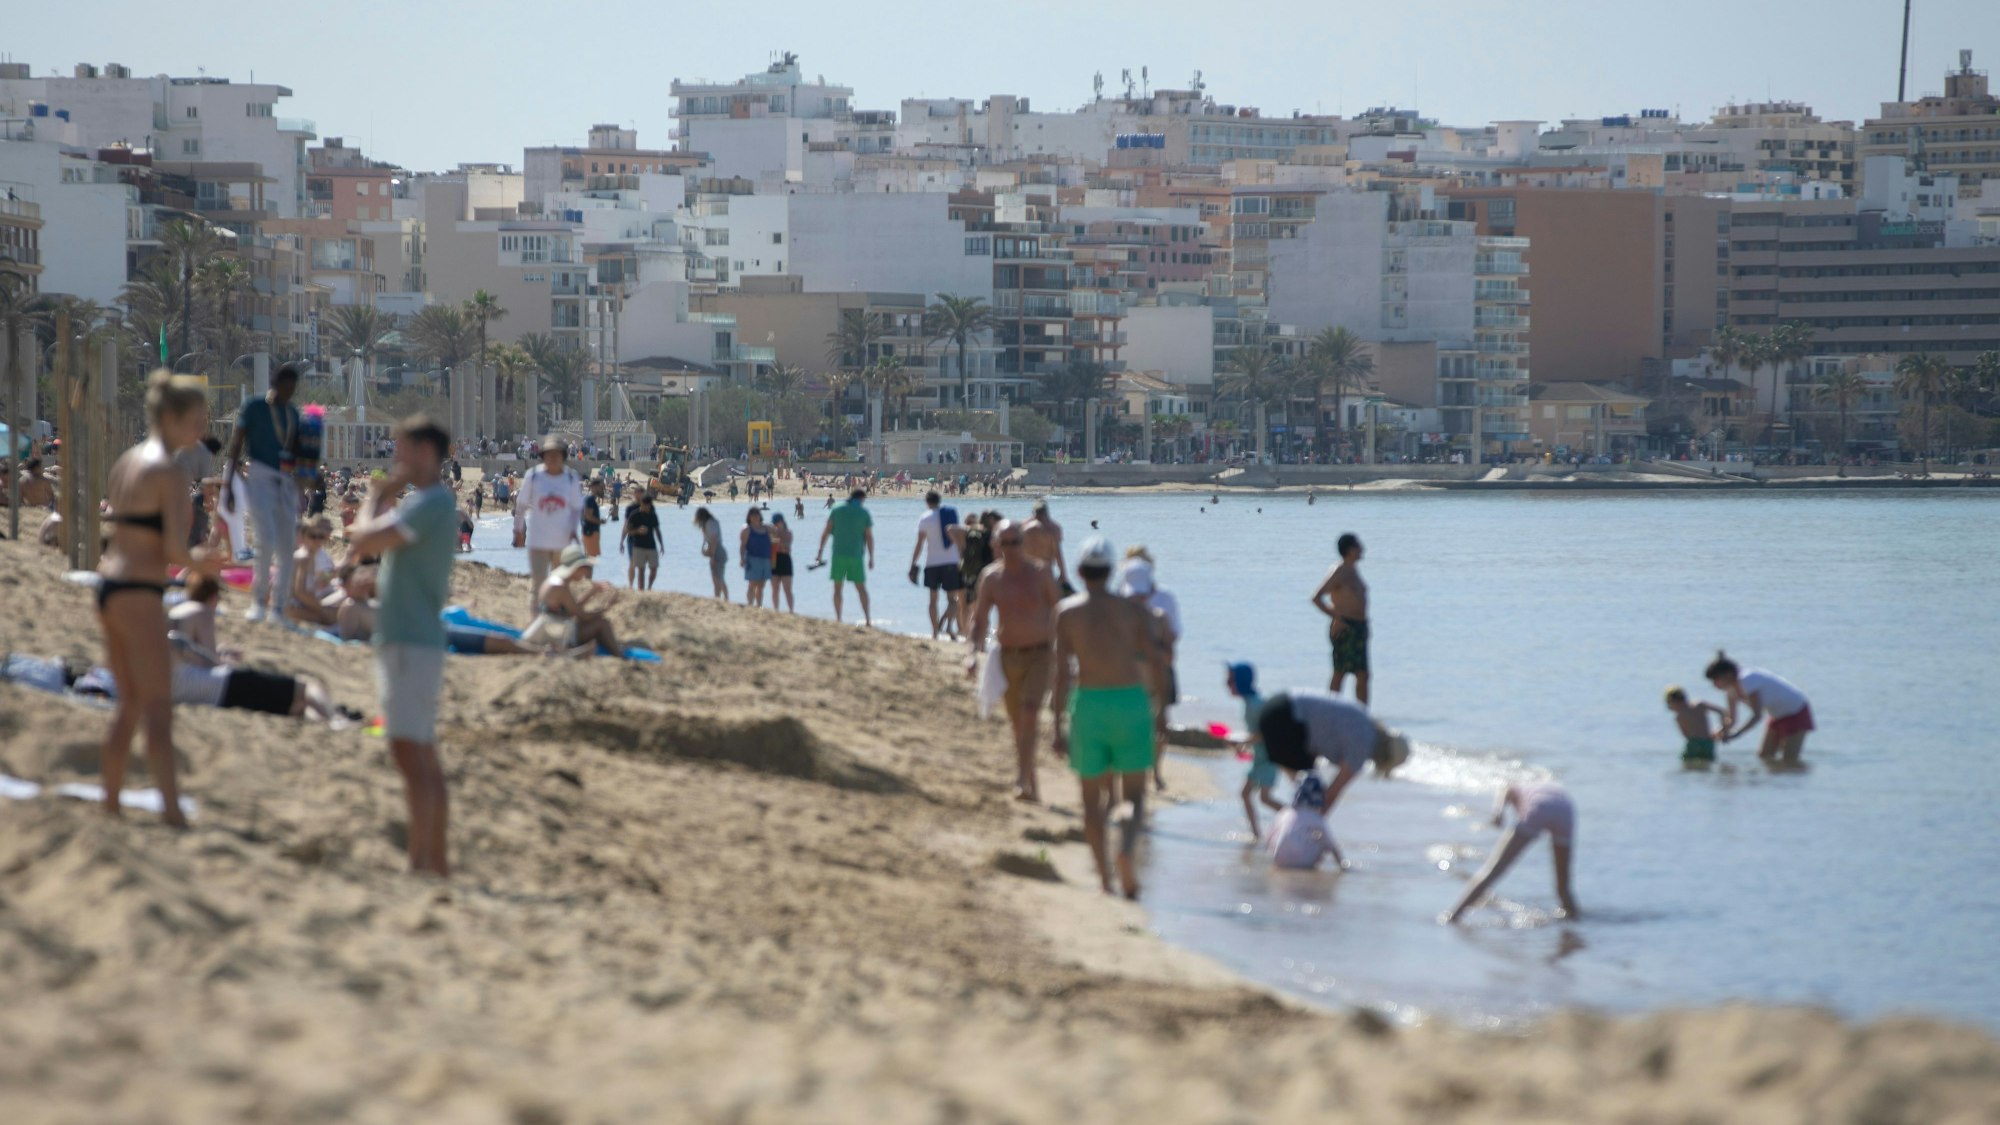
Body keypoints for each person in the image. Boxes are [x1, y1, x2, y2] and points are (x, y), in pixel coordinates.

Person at [96, 371, 218, 827]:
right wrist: (202, 562)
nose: (201, 431)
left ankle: (110, 803)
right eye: (196, 421)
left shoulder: (127, 461)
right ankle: (171, 813)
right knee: (158, 709)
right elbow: (170, 550)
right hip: (138, 591)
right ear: (171, 418)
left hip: (109, 587)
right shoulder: (168, 469)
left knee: (128, 704)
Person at [344, 416, 458, 877]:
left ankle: (424, 861)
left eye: (403, 449)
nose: (396, 459)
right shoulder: (429, 504)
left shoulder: (429, 503)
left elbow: (362, 540)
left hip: (412, 642)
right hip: (411, 638)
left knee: (412, 755)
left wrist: (375, 496)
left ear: (425, 453)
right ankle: (432, 859)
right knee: (420, 754)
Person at [1051, 537, 1162, 899]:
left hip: (1089, 705)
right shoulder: (1133, 611)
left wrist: (1056, 725)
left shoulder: (1067, 612)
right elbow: (1155, 662)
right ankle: (1126, 851)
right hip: (1130, 702)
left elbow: (1061, 674)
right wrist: (1158, 710)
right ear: (1112, 571)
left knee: (1090, 800)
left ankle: (1104, 877)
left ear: (1080, 573)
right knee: (1133, 796)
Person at [965, 519, 1064, 802]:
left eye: (1015, 542)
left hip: (1041, 654)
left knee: (1031, 712)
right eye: (1005, 543)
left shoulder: (1041, 573)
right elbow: (979, 620)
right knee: (1018, 724)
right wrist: (971, 653)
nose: (1010, 549)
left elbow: (1061, 612)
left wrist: (1068, 651)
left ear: (1023, 542)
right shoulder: (992, 578)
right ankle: (1031, 783)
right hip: (1008, 656)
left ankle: (1021, 779)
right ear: (995, 544)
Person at [169, 575, 340, 721]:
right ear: (214, 597)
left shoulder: (175, 613)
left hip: (196, 691)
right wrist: (225, 659)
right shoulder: (202, 611)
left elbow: (188, 652)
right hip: (217, 686)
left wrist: (221, 652)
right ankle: (337, 720)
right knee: (307, 685)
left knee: (293, 707)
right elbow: (211, 662)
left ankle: (325, 720)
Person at [224, 363, 306, 623]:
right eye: (286, 386)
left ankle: (279, 606)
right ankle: (259, 600)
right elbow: (237, 441)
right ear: (276, 383)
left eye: (293, 387)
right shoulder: (255, 406)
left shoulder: (292, 412)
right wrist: (229, 483)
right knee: (266, 539)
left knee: (287, 545)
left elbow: (296, 450)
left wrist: (305, 480)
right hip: (259, 473)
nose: (290, 392)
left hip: (285, 479)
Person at [1445, 781, 1580, 924]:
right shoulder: (1548, 788)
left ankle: (1453, 916)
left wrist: (1498, 814)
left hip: (1538, 810)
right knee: (1563, 884)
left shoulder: (1521, 788)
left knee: (1494, 870)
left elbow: (1506, 789)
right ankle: (1574, 920)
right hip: (1566, 813)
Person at [1255, 690, 1408, 814]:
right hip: (1285, 719)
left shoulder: (1366, 722)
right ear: (1385, 758)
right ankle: (1298, 832)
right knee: (1310, 796)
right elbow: (1332, 793)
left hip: (1278, 704)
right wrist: (1318, 826)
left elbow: (1319, 733)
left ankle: (1295, 826)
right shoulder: (1362, 747)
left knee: (1307, 791)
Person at [1120, 548, 1182, 792]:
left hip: (1159, 673)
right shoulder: (1120, 597)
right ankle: (1135, 771)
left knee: (1161, 726)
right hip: (1130, 675)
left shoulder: (1164, 600)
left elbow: (1173, 639)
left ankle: (1155, 771)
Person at [513, 435, 584, 619]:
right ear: (543, 456)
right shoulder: (534, 476)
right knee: (538, 583)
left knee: (560, 583)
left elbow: (576, 509)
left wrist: (572, 530)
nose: (553, 458)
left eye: (557, 454)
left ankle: (558, 622)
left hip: (562, 542)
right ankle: (535, 622)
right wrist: (518, 530)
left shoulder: (570, 478)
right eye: (549, 454)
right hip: (538, 541)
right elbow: (521, 506)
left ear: (563, 456)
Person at [1706, 652, 1815, 766]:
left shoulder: (1747, 680)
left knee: (1789, 760)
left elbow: (1757, 715)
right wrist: (1718, 732)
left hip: (1796, 711)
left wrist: (1737, 734)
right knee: (1764, 756)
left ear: (1727, 675)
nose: (1714, 685)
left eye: (1716, 680)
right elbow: (1732, 720)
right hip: (1776, 715)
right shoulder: (1730, 690)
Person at [523, 543, 625, 657]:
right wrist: (606, 607)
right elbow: (582, 615)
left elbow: (571, 608)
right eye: (584, 568)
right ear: (576, 568)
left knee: (595, 621)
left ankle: (614, 650)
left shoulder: (555, 581)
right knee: (602, 624)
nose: (586, 573)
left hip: (548, 627)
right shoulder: (560, 587)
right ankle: (620, 656)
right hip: (554, 633)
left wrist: (592, 592)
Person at [1310, 532, 1370, 704]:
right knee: (1340, 672)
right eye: (1359, 546)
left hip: (1359, 627)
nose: (1362, 549)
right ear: (1350, 550)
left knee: (1363, 674)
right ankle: (1332, 712)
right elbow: (1317, 597)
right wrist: (1337, 617)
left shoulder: (1354, 571)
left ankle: (1361, 716)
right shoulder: (1340, 571)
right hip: (1344, 627)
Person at [1227, 662, 1284, 839]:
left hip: (1270, 759)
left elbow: (1266, 733)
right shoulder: (1249, 703)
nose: (1227, 685)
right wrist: (1244, 744)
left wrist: (1242, 741)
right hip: (1260, 758)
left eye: (1230, 681)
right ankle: (1256, 834)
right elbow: (1257, 733)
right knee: (1245, 794)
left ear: (1240, 683)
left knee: (1265, 798)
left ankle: (1298, 819)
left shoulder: (1254, 705)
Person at [910, 490, 964, 640]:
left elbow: (920, 543)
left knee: (933, 601)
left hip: (932, 563)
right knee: (953, 600)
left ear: (927, 502)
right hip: (951, 562)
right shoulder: (950, 514)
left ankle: (935, 633)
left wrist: (913, 563)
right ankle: (947, 626)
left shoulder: (925, 518)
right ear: (939, 501)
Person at [815, 488, 874, 626]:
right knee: (861, 588)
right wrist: (871, 557)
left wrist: (819, 552)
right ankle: (868, 620)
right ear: (860, 499)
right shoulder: (863, 512)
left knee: (837, 588)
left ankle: (838, 619)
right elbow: (869, 537)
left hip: (838, 554)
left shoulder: (837, 509)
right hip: (856, 556)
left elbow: (826, 531)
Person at [1267, 775, 1345, 871]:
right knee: (1320, 838)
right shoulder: (1316, 818)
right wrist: (1342, 866)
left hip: (1278, 860)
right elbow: (1332, 846)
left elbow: (1270, 836)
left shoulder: (1284, 813)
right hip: (1303, 863)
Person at [285, 517, 342, 627]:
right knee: (335, 615)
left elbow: (324, 577)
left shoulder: (321, 555)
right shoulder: (301, 558)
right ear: (304, 538)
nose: (317, 540)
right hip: (297, 604)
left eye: (320, 537)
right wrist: (322, 610)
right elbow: (300, 592)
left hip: (314, 598)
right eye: (312, 536)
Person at [1665, 685, 1727, 765]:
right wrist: (1721, 729)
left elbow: (1686, 735)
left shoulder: (1679, 716)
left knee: (1686, 762)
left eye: (1669, 704)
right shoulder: (1699, 704)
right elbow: (1722, 712)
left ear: (1673, 702)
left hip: (1694, 743)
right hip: (1708, 742)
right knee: (1709, 763)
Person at [1020, 499, 1069, 595]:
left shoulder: (1023, 526)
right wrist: (1063, 575)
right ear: (1047, 512)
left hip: (1025, 573)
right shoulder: (1054, 528)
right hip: (1046, 573)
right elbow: (1058, 554)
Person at [622, 492, 661, 590]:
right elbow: (628, 530)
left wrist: (662, 544)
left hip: (651, 545)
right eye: (645, 505)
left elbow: (657, 530)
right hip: (638, 545)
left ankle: (649, 587)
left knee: (654, 569)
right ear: (642, 504)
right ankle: (641, 590)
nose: (647, 508)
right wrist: (637, 530)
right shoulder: (634, 515)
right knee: (641, 570)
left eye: (649, 506)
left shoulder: (652, 515)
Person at [693, 506, 730, 600]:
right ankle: (719, 599)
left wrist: (712, 556)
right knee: (717, 579)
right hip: (716, 551)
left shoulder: (710, 523)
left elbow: (713, 540)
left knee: (719, 579)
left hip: (717, 552)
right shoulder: (711, 522)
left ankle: (724, 599)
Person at [741, 507, 773, 608]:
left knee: (761, 585)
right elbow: (742, 546)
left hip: (766, 559)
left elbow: (777, 533)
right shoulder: (747, 529)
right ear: (749, 517)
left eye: (757, 514)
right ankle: (750, 605)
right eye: (753, 515)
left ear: (760, 516)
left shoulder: (766, 528)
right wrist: (742, 558)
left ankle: (759, 605)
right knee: (752, 583)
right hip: (752, 559)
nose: (755, 517)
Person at [769, 512, 796, 613]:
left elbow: (786, 548)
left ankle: (791, 610)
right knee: (775, 588)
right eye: (774, 523)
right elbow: (773, 546)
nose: (775, 525)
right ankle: (776, 610)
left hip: (785, 560)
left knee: (787, 589)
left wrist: (777, 538)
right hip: (774, 560)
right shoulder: (771, 532)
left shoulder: (788, 532)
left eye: (777, 523)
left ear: (782, 522)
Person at [581, 479, 604, 558]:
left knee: (589, 558)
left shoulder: (588, 499)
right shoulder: (590, 499)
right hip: (590, 532)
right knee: (590, 559)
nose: (602, 489)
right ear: (595, 487)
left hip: (589, 532)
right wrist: (599, 521)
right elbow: (588, 516)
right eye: (601, 487)